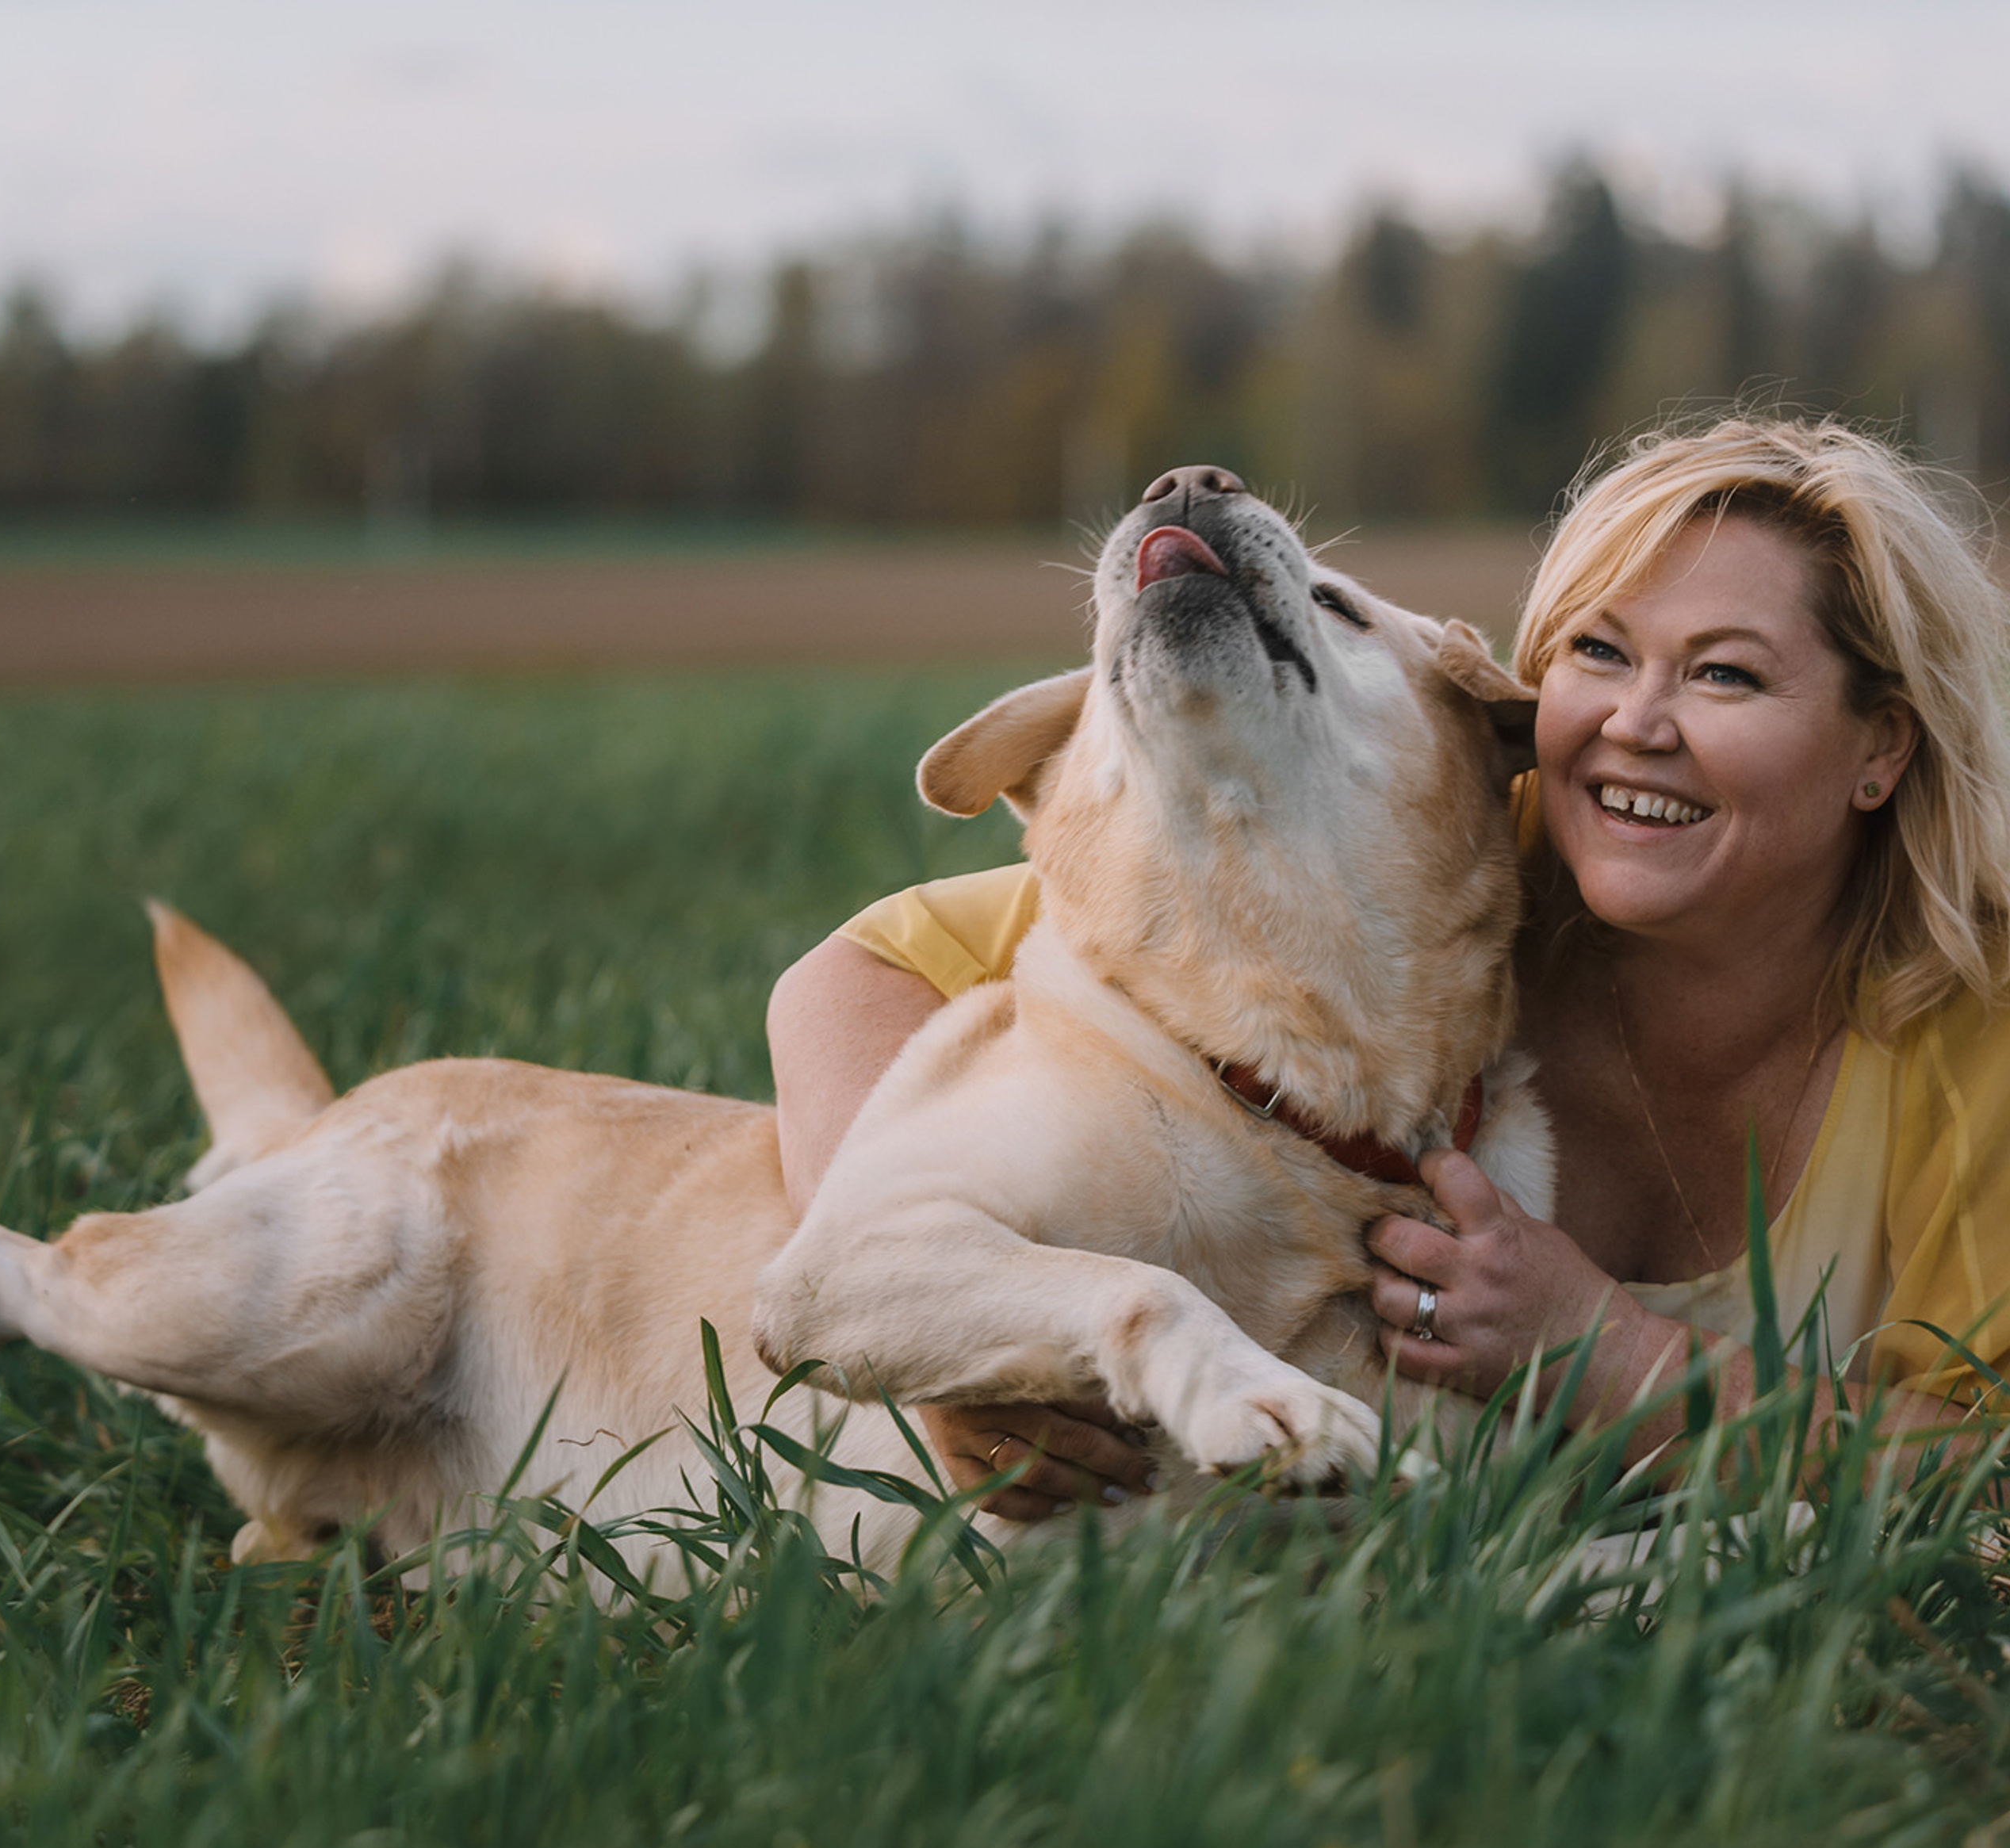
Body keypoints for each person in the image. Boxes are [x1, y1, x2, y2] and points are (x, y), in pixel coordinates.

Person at [766, 415, 2010, 1521]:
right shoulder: (1443, 871)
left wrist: (1604, 1351)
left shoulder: (1975, 1037)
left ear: (1882, 749)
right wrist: (965, 1349)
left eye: (1726, 673)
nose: (1638, 725)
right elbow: (858, 973)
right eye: (1598, 651)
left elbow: (1988, 1478)